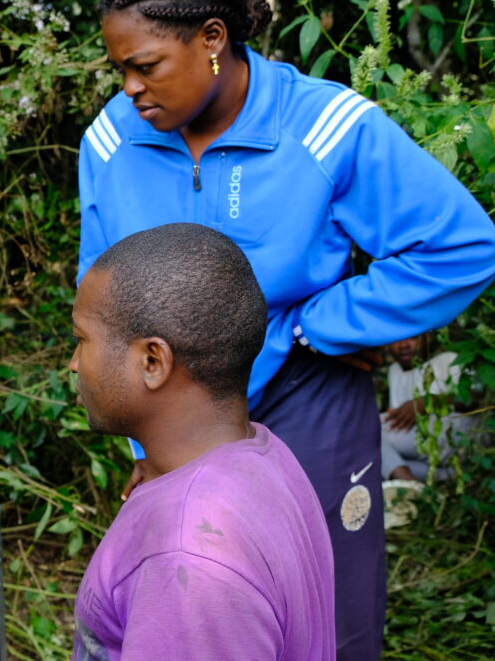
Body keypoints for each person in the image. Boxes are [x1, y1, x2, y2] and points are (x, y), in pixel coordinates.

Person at [78, 0, 495, 660]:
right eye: (120, 70)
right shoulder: (113, 143)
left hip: (305, 393)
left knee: (326, 604)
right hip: (171, 405)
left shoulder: (326, 128)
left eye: (145, 67)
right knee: (193, 598)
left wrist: (321, 325)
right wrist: (142, 441)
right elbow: (105, 300)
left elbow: (461, 247)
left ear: (212, 39)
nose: (129, 89)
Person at [70, 223, 334, 661]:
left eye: (82, 340)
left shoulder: (188, 559)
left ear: (153, 361)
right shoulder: (264, 454)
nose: (75, 364)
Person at [381, 333, 476, 482]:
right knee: (375, 462)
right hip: (422, 448)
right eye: (396, 338)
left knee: (370, 429)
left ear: (428, 337)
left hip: (458, 437)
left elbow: (476, 398)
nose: (404, 345)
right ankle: (446, 477)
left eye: (413, 337)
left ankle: (404, 482)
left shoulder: (448, 359)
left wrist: (427, 402)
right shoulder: (394, 371)